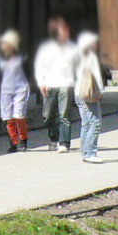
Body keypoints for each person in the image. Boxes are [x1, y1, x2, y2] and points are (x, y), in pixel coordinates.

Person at [34, 17, 80, 151]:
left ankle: (64, 143)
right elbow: (39, 66)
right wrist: (41, 83)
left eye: (66, 30)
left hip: (67, 83)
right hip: (50, 84)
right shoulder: (47, 48)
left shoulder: (73, 48)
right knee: (48, 115)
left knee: (64, 115)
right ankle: (54, 137)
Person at [0, 30, 30, 153]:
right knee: (8, 117)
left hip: (20, 88)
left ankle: (23, 140)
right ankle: (13, 143)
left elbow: (28, 72)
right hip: (6, 89)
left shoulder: (22, 57)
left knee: (18, 115)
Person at [73, 31, 105, 163]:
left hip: (78, 93)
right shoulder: (91, 56)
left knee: (85, 124)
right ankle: (90, 152)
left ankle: (85, 151)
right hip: (89, 94)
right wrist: (101, 91)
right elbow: (97, 76)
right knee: (95, 123)